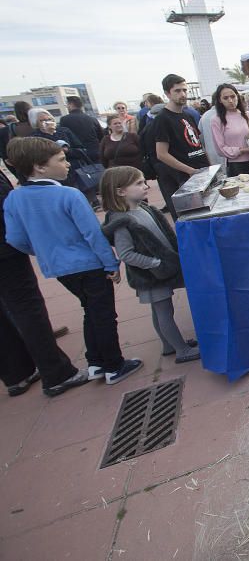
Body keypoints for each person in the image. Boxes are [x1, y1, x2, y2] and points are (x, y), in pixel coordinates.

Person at [3, 137, 142, 385]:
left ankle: (96, 362)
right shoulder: (69, 194)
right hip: (89, 265)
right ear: (39, 167)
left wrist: (44, 251)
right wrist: (110, 263)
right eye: (61, 160)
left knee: (90, 310)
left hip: (59, 269)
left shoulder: (14, 198)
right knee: (104, 315)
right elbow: (92, 234)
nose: (67, 164)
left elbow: (15, 239)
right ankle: (114, 365)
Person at [0, 163, 89, 397]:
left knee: (16, 310)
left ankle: (17, 373)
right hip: (6, 253)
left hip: (7, 250)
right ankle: (56, 373)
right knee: (27, 308)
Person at [101, 167, 199, 363]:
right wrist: (155, 264)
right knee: (164, 312)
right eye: (138, 183)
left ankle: (169, 344)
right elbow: (126, 254)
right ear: (120, 191)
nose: (146, 186)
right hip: (151, 276)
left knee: (161, 310)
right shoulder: (121, 220)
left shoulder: (142, 208)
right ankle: (181, 350)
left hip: (158, 272)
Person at [151, 74, 210, 219]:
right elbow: (161, 154)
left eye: (184, 90)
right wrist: (189, 170)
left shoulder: (188, 115)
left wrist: (209, 165)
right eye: (177, 91)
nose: (182, 94)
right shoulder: (162, 119)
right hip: (185, 179)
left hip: (203, 173)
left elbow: (199, 144)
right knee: (195, 217)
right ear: (167, 93)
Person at [211, 83, 249, 176]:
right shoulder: (217, 120)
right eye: (225, 98)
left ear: (237, 96)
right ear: (219, 100)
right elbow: (220, 149)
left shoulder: (248, 115)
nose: (230, 100)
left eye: (233, 96)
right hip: (236, 165)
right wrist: (244, 150)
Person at [28, 108, 89, 189]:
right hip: (54, 175)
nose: (47, 122)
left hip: (75, 171)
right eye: (42, 121)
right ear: (36, 123)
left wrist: (67, 150)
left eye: (49, 119)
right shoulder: (34, 137)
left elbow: (81, 150)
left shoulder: (64, 131)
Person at [58, 96, 103, 162]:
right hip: (95, 154)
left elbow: (63, 138)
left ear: (71, 104)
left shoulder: (64, 120)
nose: (67, 106)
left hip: (77, 155)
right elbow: (101, 137)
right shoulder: (92, 119)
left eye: (67, 104)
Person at [197, 89, 223, 168]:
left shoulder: (204, 116)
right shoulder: (223, 115)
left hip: (211, 155)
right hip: (226, 155)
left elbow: (200, 138)